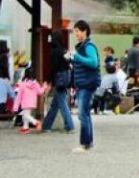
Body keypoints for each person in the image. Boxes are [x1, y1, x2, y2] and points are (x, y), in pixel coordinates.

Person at [71, 20, 100, 152]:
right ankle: (88, 142)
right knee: (85, 113)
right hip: (84, 83)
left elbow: (94, 63)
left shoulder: (89, 46)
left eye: (77, 31)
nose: (75, 34)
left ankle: (85, 143)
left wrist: (77, 57)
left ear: (84, 31)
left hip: (87, 84)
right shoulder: (82, 46)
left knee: (82, 113)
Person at [42, 30, 74, 132]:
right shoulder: (64, 50)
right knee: (55, 104)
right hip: (66, 78)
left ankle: (69, 126)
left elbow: (53, 67)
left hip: (59, 78)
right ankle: (46, 125)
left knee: (62, 103)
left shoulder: (54, 51)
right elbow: (70, 64)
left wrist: (49, 80)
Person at [14, 67, 48, 133]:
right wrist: (44, 87)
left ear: (25, 74)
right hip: (32, 103)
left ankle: (36, 122)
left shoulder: (23, 84)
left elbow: (19, 96)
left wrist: (15, 107)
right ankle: (25, 128)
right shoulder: (35, 84)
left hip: (25, 103)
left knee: (25, 115)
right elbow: (40, 92)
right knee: (25, 115)